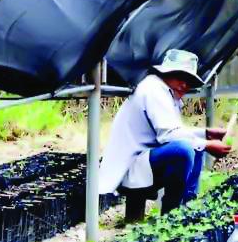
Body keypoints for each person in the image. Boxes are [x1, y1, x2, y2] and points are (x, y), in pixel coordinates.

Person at [98, 49, 231, 221]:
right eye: (180, 77)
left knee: (194, 145)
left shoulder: (162, 90)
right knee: (184, 150)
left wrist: (205, 133)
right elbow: (169, 135)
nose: (185, 85)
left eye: (189, 81)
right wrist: (207, 144)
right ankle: (171, 217)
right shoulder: (154, 90)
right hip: (131, 165)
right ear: (166, 73)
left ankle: (188, 207)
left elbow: (174, 130)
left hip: (143, 160)